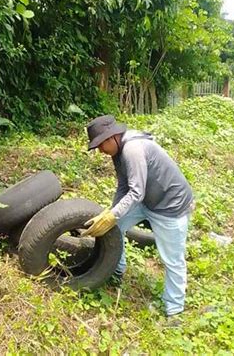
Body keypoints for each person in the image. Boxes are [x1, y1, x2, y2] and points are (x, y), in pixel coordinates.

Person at [83, 114, 194, 324]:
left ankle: (175, 311)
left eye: (100, 145)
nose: (99, 150)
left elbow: (136, 193)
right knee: (114, 228)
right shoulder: (117, 152)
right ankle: (116, 272)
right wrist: (112, 213)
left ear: (112, 137)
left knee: (172, 260)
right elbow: (124, 187)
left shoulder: (133, 150)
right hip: (146, 200)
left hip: (170, 206)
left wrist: (113, 214)